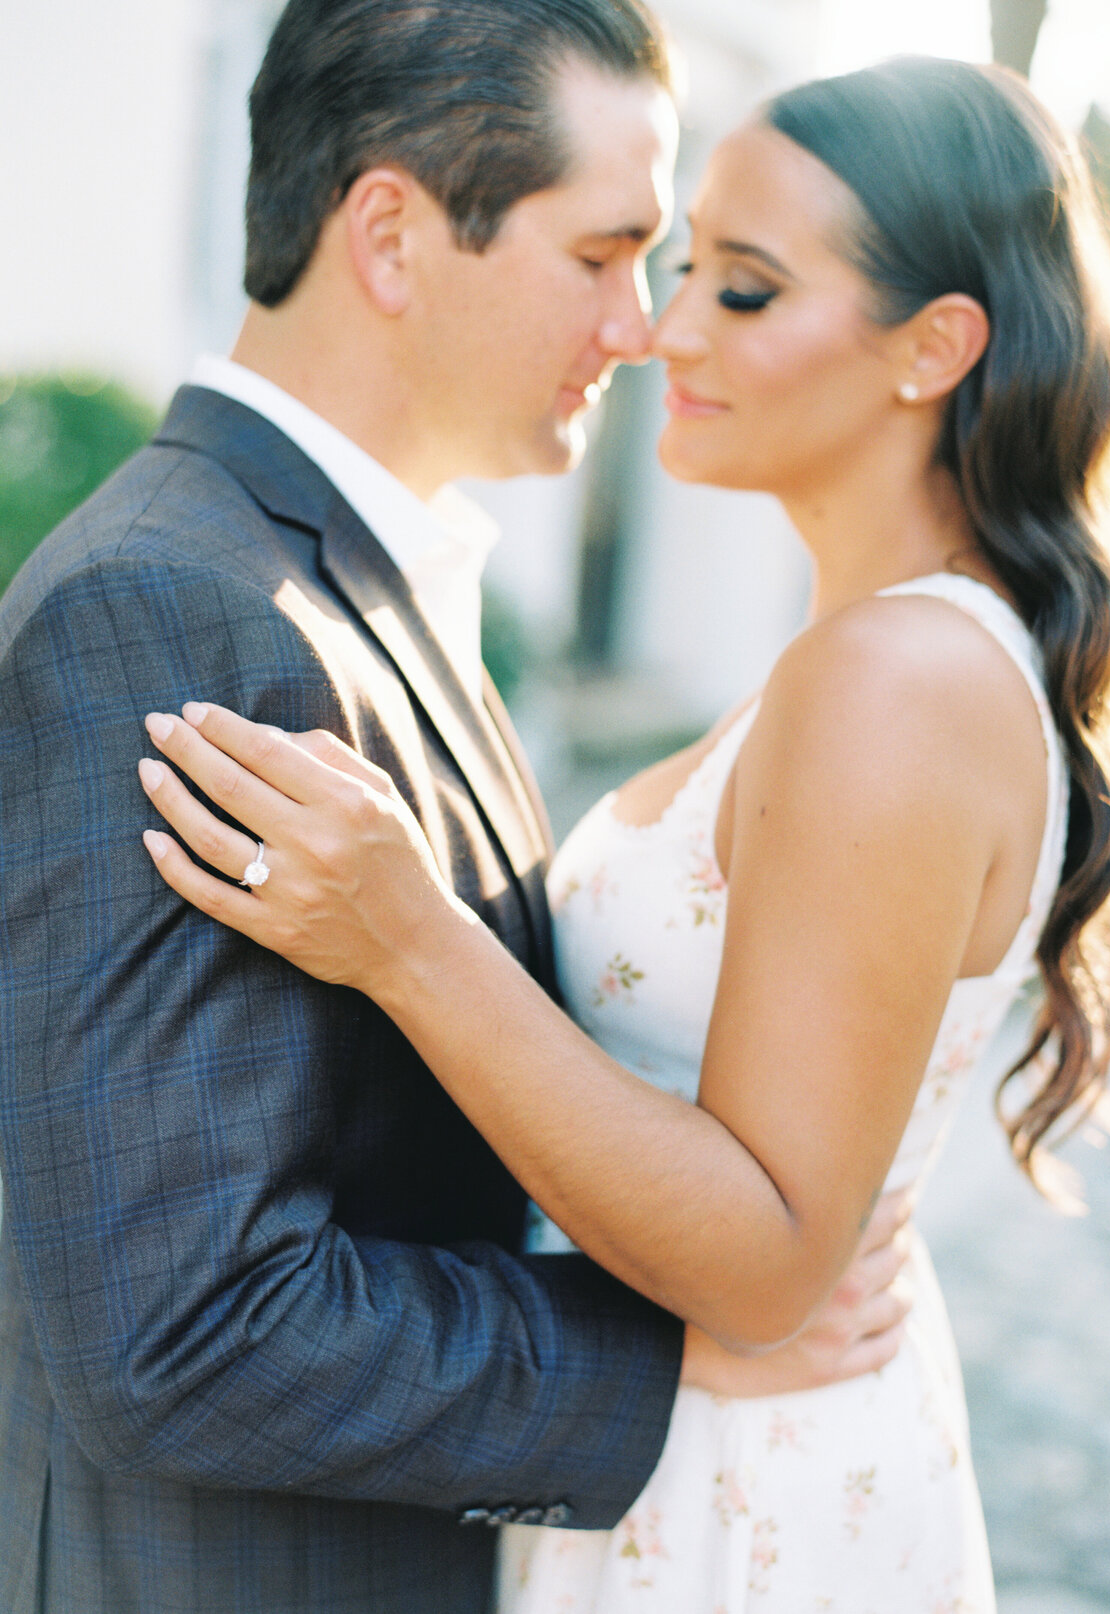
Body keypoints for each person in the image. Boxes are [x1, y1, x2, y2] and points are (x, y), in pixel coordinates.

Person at [135, 54, 1110, 1614]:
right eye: (681, 265)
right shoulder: (879, 658)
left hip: (742, 1502)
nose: (664, 328)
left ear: (935, 346)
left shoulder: (893, 678)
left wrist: (407, 935)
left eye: (746, 292)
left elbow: (769, 1254)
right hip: (675, 1445)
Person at [0, 4, 911, 1611]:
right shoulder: (172, 609)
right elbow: (180, 1333)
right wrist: (670, 1360)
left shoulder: (358, 585)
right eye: (601, 254)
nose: (642, 327)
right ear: (394, 234)